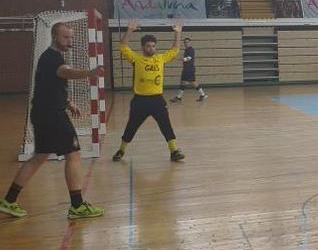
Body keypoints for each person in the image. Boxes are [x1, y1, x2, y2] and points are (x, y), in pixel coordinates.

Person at [0, 23, 105, 219]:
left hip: (43, 113)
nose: (69, 41)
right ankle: (77, 206)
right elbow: (65, 72)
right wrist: (89, 73)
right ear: (55, 36)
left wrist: (67, 102)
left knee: (39, 157)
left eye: (71, 38)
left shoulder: (50, 58)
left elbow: (49, 86)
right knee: (73, 154)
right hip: (52, 116)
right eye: (65, 37)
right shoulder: (52, 58)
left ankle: (9, 200)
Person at [112, 20, 185, 162]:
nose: (151, 48)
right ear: (143, 47)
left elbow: (175, 50)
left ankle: (174, 151)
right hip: (140, 100)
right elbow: (122, 46)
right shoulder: (136, 59)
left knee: (166, 126)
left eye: (153, 46)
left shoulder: (160, 59)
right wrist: (129, 30)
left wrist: (178, 32)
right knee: (131, 127)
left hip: (157, 100)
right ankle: (121, 150)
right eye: (148, 46)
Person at [170, 37, 207, 103]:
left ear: (190, 42)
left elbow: (189, 58)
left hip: (188, 69)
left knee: (183, 82)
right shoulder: (187, 50)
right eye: (185, 42)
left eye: (187, 42)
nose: (186, 43)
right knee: (193, 83)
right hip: (189, 69)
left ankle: (179, 97)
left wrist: (182, 59)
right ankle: (202, 95)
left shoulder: (190, 49)